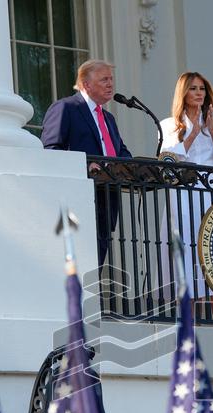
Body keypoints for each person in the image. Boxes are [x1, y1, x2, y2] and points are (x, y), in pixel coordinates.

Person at [41, 60, 132, 265]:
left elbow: (121, 153)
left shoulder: (108, 118)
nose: (110, 84)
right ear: (86, 84)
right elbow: (51, 151)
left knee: (95, 267)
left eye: (111, 79)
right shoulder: (66, 108)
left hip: (106, 202)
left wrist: (134, 167)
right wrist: (85, 167)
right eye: (104, 79)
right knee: (76, 267)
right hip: (78, 200)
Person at [158, 72, 213, 301]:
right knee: (188, 249)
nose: (199, 92)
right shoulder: (169, 125)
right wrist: (190, 135)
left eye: (202, 88)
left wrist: (211, 129)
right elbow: (169, 161)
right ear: (183, 93)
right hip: (183, 194)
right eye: (193, 88)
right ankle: (188, 309)